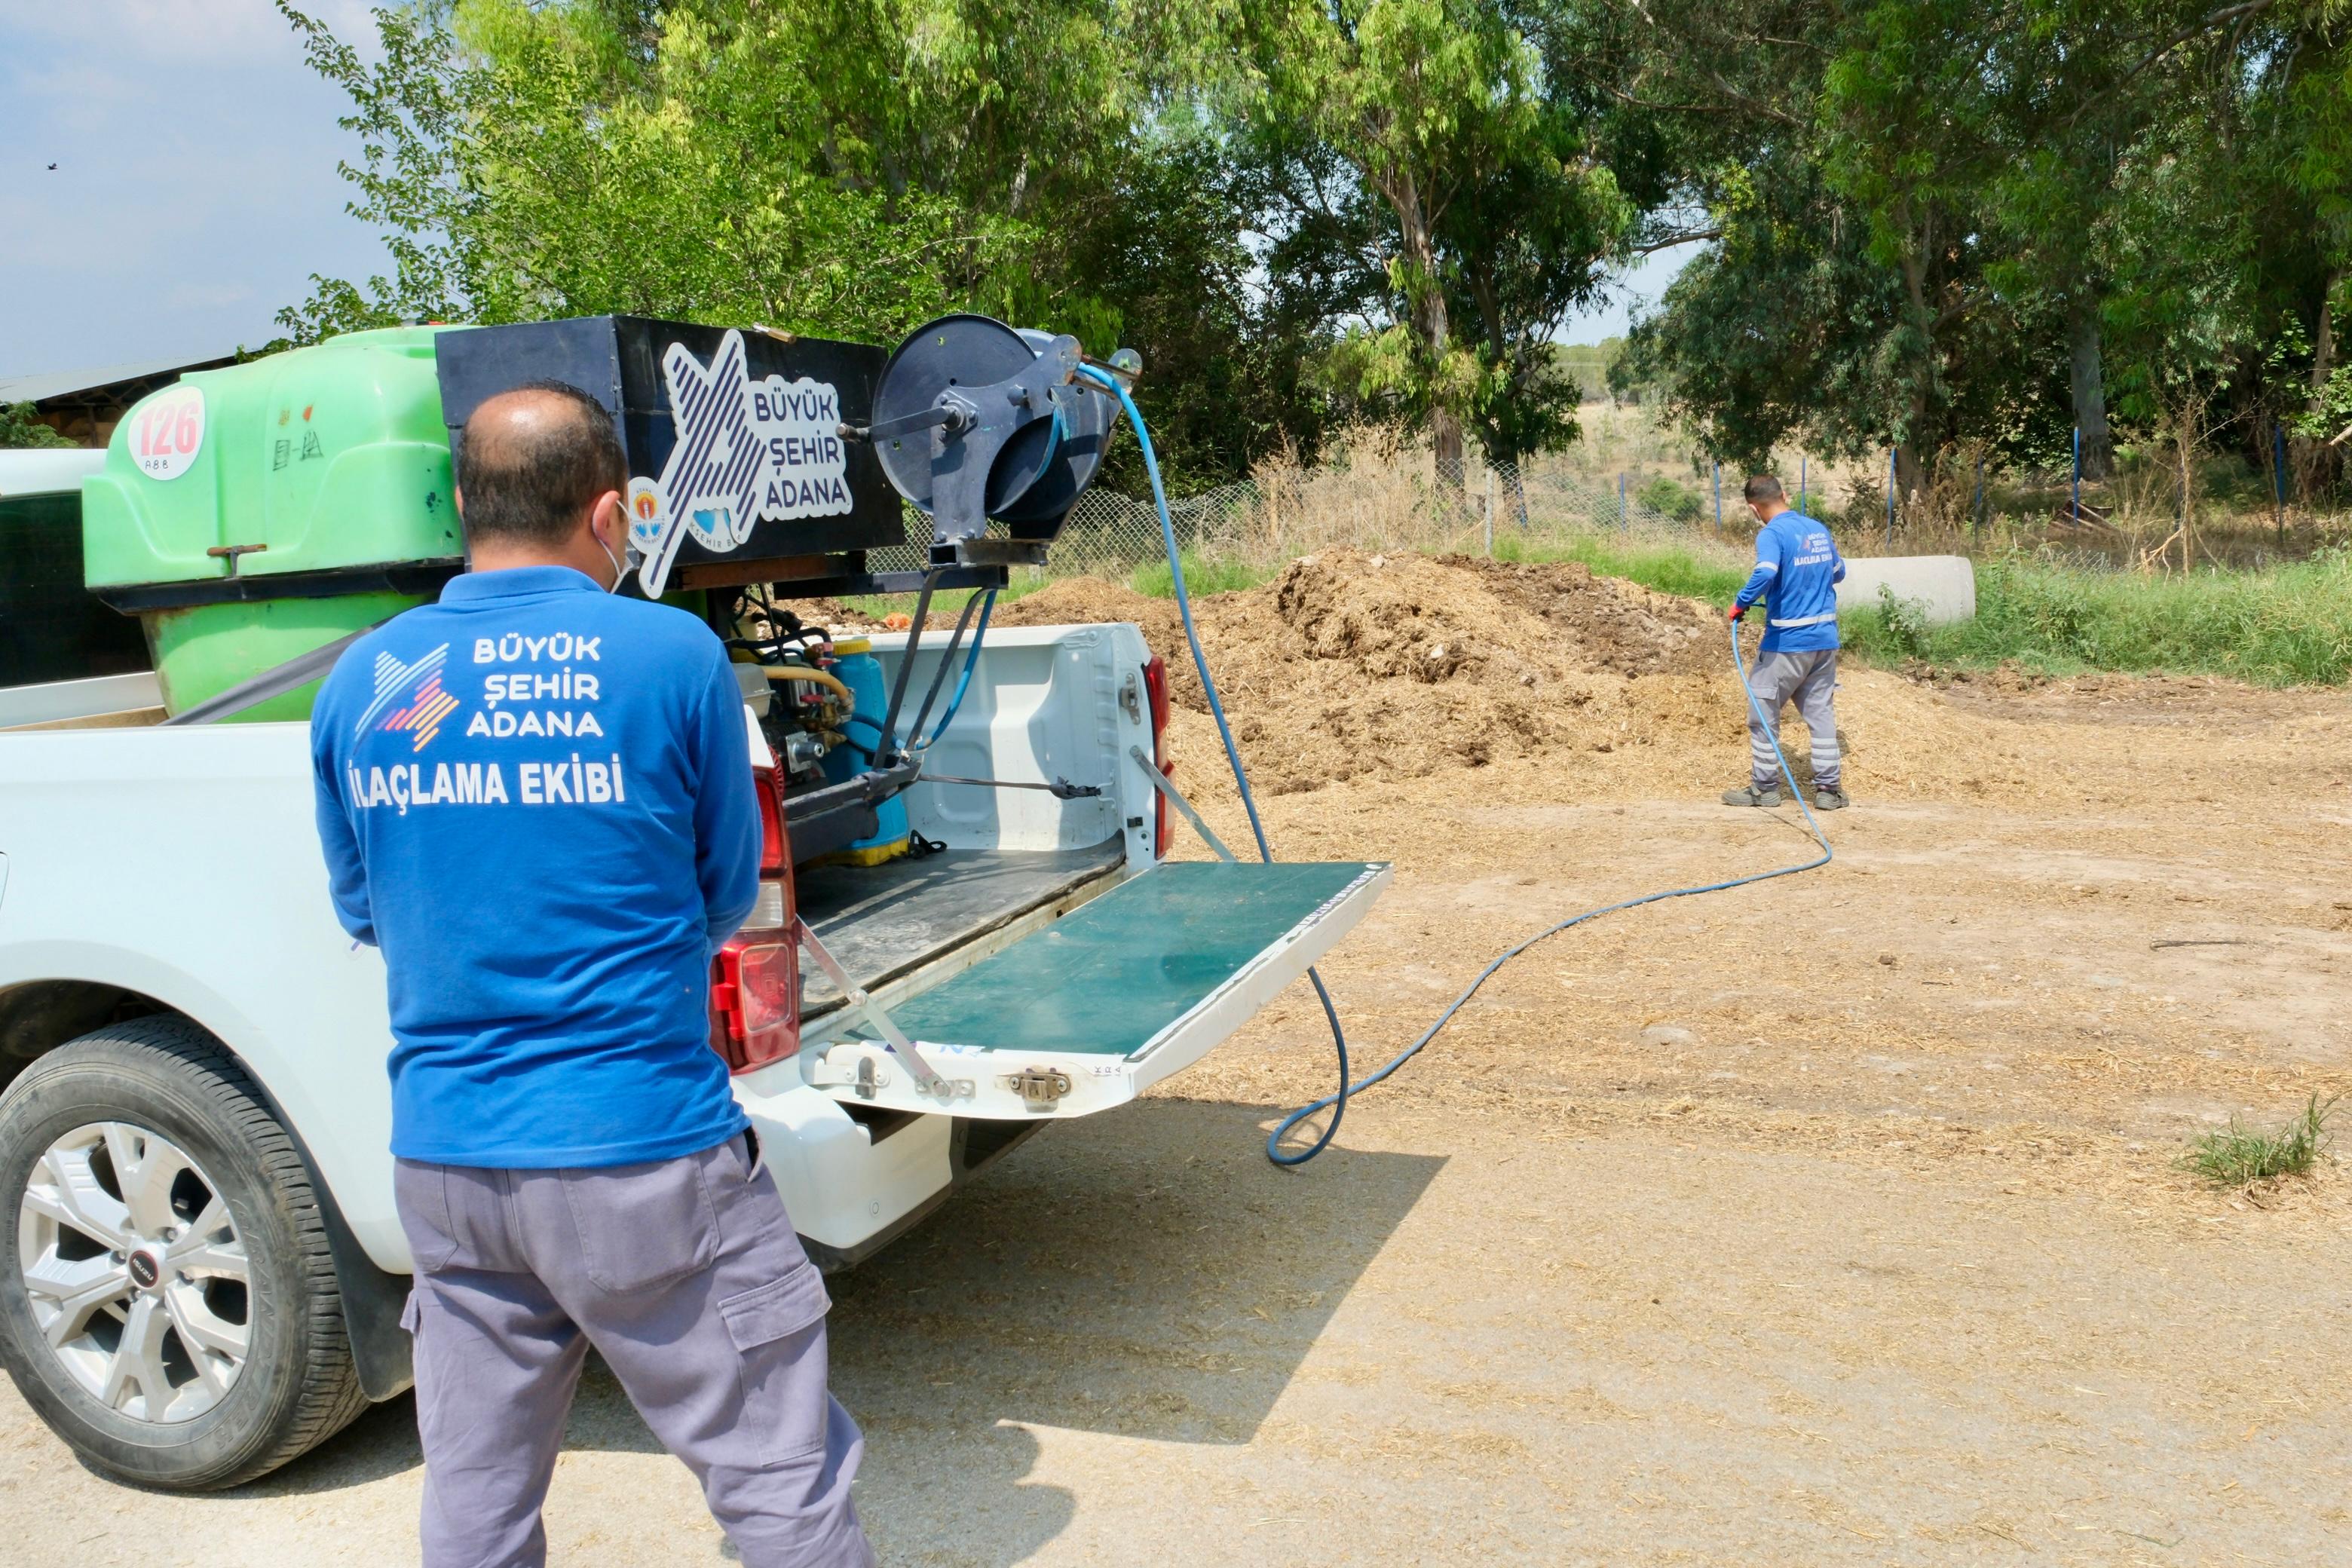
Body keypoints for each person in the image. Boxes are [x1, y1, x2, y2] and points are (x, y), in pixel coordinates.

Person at [310, 381, 873, 1568]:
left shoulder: (363, 681)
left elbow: (366, 908)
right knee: (778, 1474)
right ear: (611, 517)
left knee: (476, 1494)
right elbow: (728, 889)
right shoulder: (669, 655)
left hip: (451, 1165)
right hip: (642, 1155)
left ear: (464, 504)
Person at [1723, 473, 1848, 810]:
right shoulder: (1817, 529)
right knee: (1820, 713)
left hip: (1787, 642)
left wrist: (1741, 603)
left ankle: (1764, 789)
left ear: (1753, 509)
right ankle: (1829, 791)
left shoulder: (1772, 534)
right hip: (1824, 641)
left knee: (1762, 711)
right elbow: (1838, 572)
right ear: (1786, 494)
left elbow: (1765, 572)